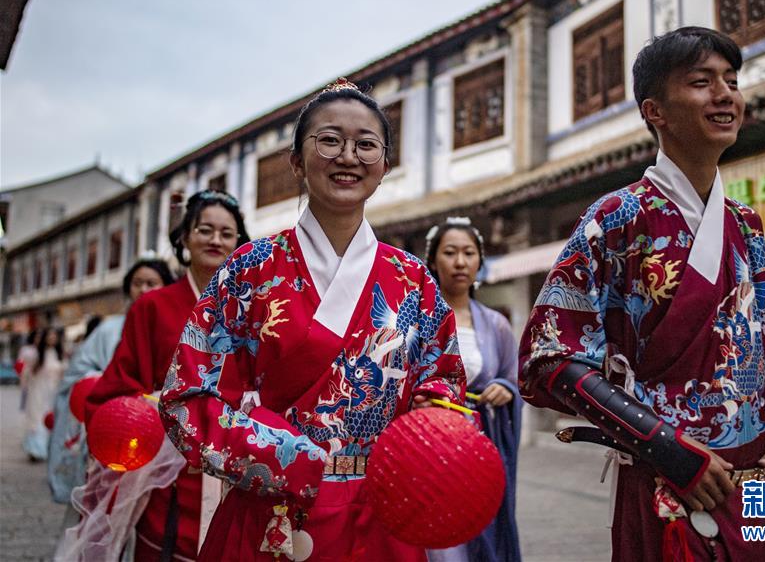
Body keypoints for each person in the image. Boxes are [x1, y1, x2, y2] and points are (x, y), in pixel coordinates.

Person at [518, 27, 765, 561]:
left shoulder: (746, 224)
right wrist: (663, 445)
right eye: (702, 82)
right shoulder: (615, 219)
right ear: (654, 110)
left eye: (731, 81)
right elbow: (547, 358)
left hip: (756, 488)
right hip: (671, 484)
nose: (725, 94)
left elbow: (755, 347)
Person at [159, 79, 465, 562]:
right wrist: (285, 457)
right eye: (329, 140)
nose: (348, 156)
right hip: (272, 508)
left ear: (385, 166)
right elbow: (186, 399)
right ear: (297, 161)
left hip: (383, 512)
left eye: (366, 145)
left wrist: (425, 444)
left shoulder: (414, 280)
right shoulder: (251, 269)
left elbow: (443, 382)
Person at [83, 190, 250, 561]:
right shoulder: (152, 307)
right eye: (204, 229)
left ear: (240, 242)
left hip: (233, 470)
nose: (215, 240)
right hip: (169, 476)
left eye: (227, 233)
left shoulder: (254, 309)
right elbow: (117, 387)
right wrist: (156, 412)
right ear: (185, 237)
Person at [424, 217, 522, 562]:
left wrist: (505, 389)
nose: (460, 262)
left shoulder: (496, 325)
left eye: (469, 253)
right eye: (450, 252)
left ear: (481, 260)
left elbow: (514, 379)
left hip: (479, 451)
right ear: (433, 260)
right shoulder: (419, 320)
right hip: (429, 451)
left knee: (480, 536)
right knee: (439, 544)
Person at [47, 257, 175, 504]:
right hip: (113, 420)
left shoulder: (172, 325)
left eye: (152, 283)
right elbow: (78, 371)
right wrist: (103, 383)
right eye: (138, 283)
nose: (144, 289)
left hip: (156, 428)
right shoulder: (108, 329)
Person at [20, 326, 66, 461]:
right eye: (49, 335)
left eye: (54, 336)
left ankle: (48, 449)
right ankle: (35, 450)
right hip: (37, 393)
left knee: (51, 419)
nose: (52, 338)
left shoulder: (60, 355)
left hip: (54, 393)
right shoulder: (36, 355)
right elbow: (26, 374)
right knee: (37, 420)